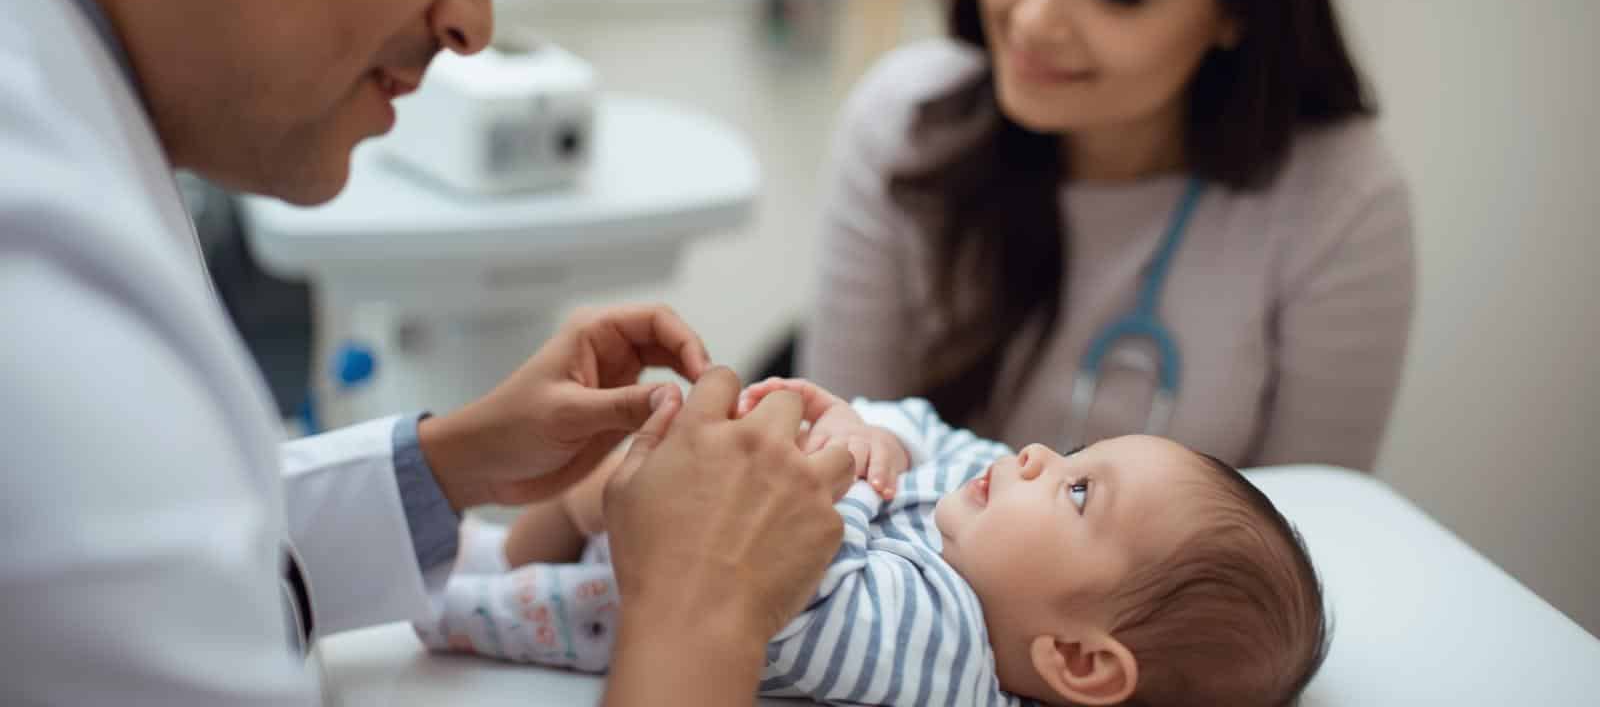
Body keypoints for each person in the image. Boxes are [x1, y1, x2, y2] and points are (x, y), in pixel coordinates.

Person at [0, 0, 855, 705]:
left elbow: (169, 552)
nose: (472, 22)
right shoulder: (34, 279)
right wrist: (699, 605)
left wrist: (449, 466)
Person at [801, 0, 1415, 470]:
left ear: (1238, 8)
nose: (1035, 19)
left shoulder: (1339, 200)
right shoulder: (905, 121)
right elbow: (834, 467)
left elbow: (1312, 530)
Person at [413, 377, 1328, 707]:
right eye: (1078, 453)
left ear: (1079, 665)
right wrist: (877, 431)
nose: (1043, 456)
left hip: (633, 614)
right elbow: (937, 430)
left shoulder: (946, 652)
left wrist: (846, 469)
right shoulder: (993, 522)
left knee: (479, 611)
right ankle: (519, 539)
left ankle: (442, 601)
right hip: (681, 542)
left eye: (1080, 489)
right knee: (583, 501)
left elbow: (794, 602)